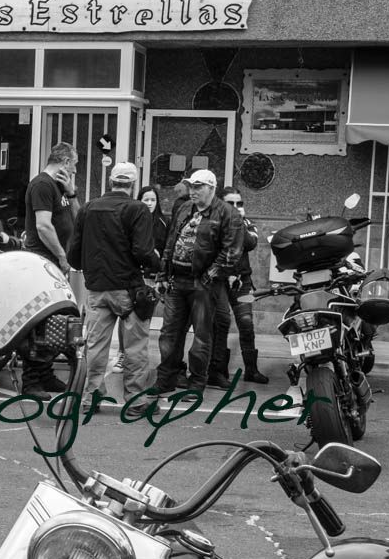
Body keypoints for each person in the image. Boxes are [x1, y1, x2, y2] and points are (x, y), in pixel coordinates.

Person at [66, 162, 158, 413]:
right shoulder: (137, 209)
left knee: (95, 345)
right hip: (128, 287)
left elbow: (73, 255)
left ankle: (90, 397)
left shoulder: (88, 208)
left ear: (110, 181)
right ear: (133, 184)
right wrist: (157, 264)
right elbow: (142, 251)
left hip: (96, 288)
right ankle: (136, 401)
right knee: (135, 347)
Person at [153, 169, 244, 393]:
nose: (192, 191)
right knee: (169, 334)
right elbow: (170, 242)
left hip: (203, 285)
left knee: (202, 338)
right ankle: (166, 380)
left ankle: (196, 385)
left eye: (198, 187)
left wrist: (208, 277)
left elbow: (232, 253)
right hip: (177, 281)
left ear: (211, 189)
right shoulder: (184, 207)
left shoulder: (228, 214)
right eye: (191, 186)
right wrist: (163, 275)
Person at [19, 143, 79, 395]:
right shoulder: (42, 184)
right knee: (40, 322)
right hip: (42, 261)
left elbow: (79, 218)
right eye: (74, 164)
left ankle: (44, 373)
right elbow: (43, 226)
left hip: (54, 262)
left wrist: (72, 192)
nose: (75, 169)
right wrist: (62, 256)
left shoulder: (60, 187)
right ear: (65, 162)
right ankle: (32, 380)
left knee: (55, 321)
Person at [212, 186, 269, 384]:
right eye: (231, 203)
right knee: (220, 324)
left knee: (246, 323)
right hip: (219, 280)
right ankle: (219, 371)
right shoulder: (214, 222)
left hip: (242, 282)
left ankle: (251, 371)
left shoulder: (246, 223)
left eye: (239, 203)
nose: (236, 207)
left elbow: (250, 243)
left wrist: (238, 221)